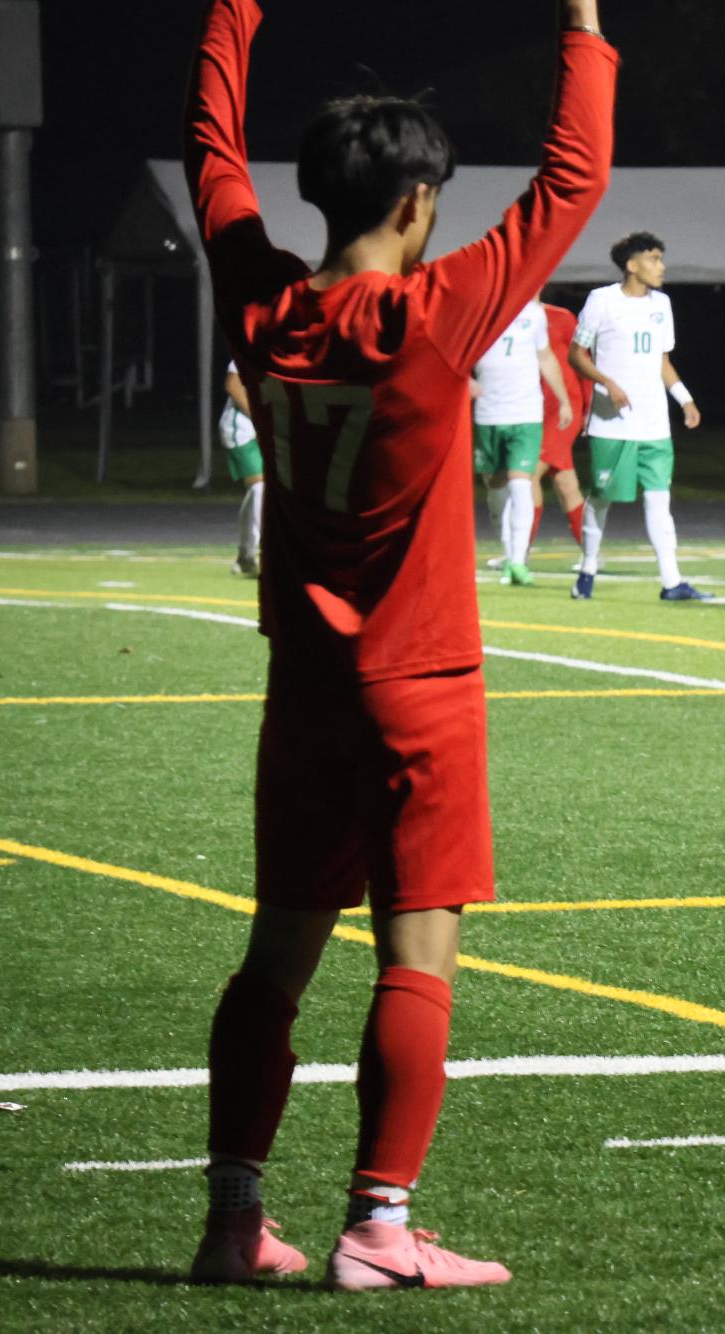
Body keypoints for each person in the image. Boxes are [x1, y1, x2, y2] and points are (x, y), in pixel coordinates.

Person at [184, 0, 614, 1290]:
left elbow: (211, 150)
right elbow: (574, 176)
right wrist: (583, 25)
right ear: (420, 201)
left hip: (302, 689)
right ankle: (379, 1220)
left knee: (274, 955)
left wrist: (233, 12)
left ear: (316, 193)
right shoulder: (435, 314)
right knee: (416, 951)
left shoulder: (260, 302)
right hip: (419, 686)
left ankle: (231, 1218)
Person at [569, 232, 709, 601]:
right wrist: (607, 383)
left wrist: (685, 400)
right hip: (612, 425)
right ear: (632, 265)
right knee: (601, 498)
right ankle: (587, 570)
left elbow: (662, 361)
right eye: (654, 258)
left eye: (661, 259)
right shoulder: (602, 301)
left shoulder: (662, 304)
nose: (661, 266)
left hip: (654, 424)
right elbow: (576, 354)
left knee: (659, 500)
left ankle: (672, 581)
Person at [472, 295, 572, 586]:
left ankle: (517, 561)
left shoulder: (535, 315)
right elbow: (458, 353)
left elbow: (545, 357)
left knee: (521, 483)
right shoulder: (481, 310)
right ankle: (509, 552)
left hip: (526, 414)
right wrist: (465, 379)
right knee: (496, 485)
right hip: (488, 414)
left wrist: (564, 400)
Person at [536, 298, 589, 556]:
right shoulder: (505, 316)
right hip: (530, 410)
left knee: (526, 475)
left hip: (563, 408)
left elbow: (582, 361)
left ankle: (518, 553)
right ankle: (592, 552)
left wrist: (589, 407)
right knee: (566, 484)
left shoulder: (561, 317)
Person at [219, 360, 264, 577]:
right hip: (242, 430)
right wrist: (258, 416)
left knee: (259, 491)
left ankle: (245, 556)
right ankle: (268, 552)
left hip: (271, 430)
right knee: (261, 488)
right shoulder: (252, 347)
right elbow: (232, 384)